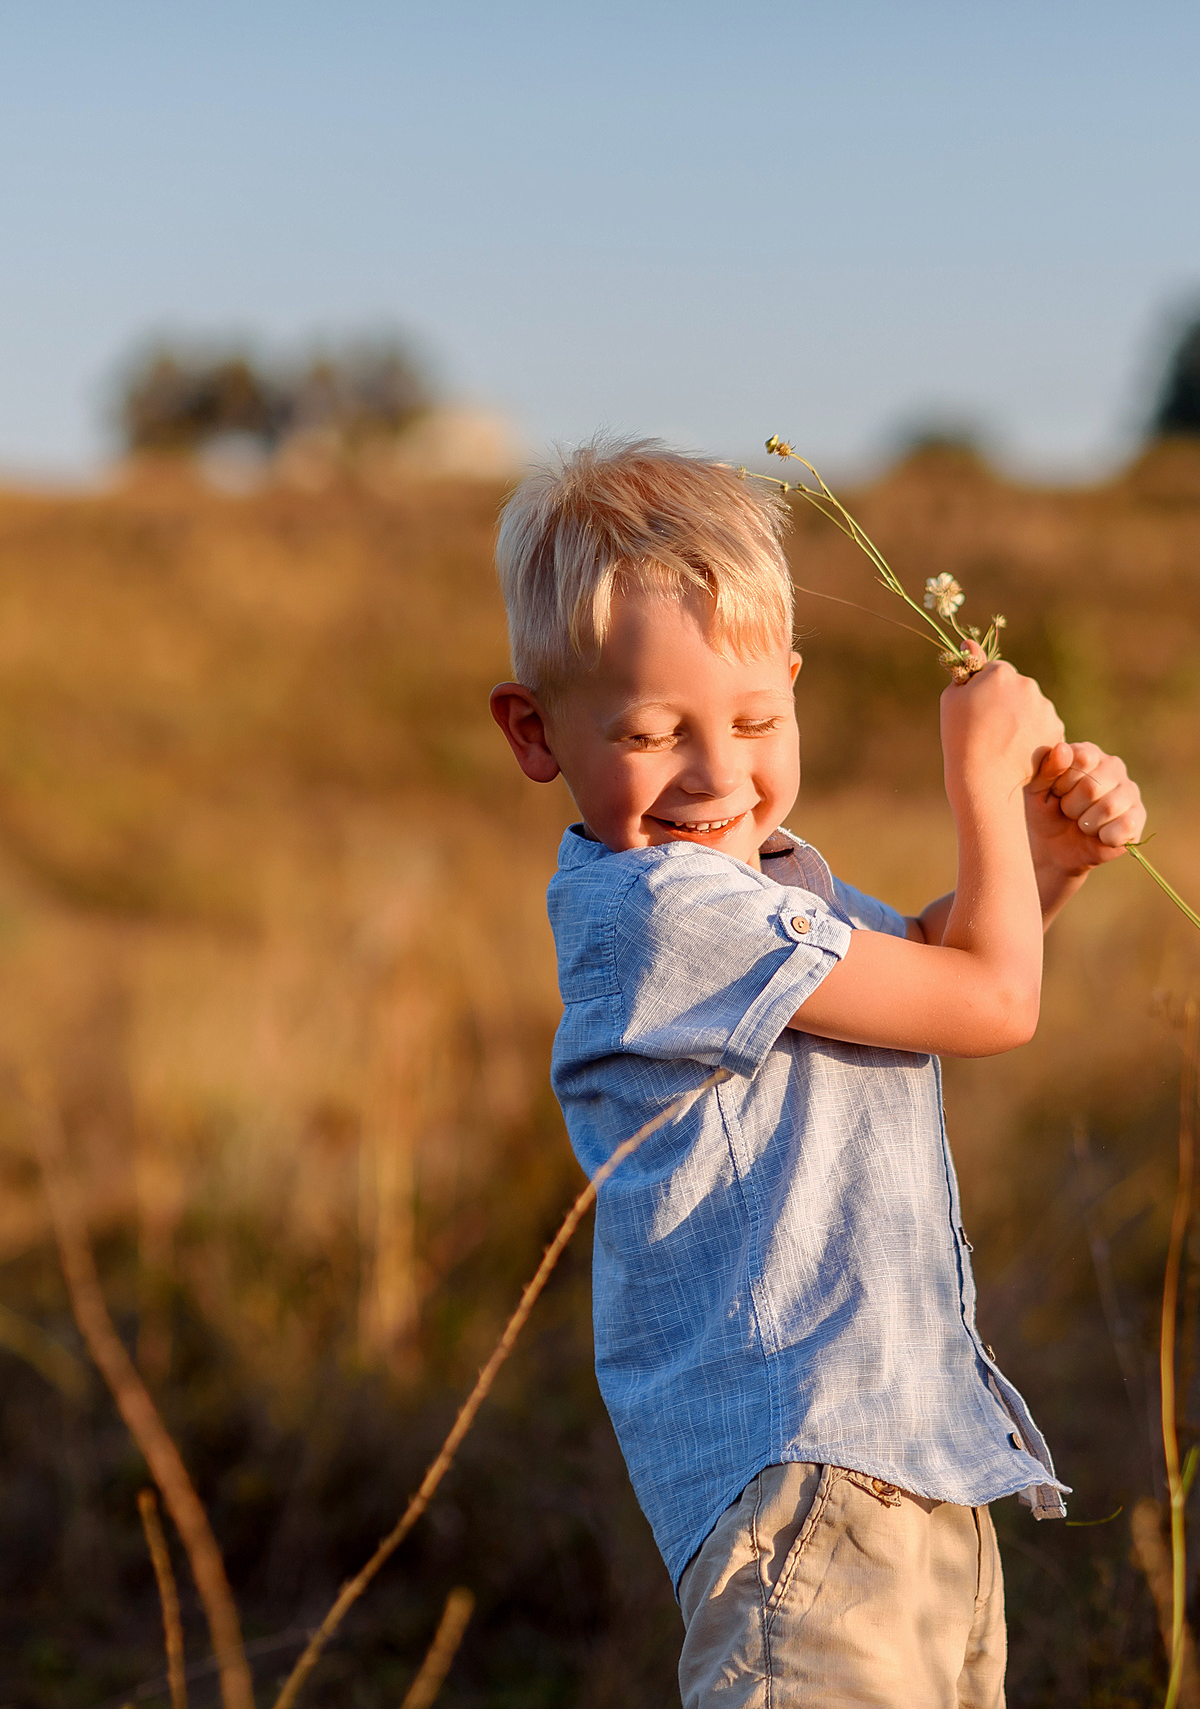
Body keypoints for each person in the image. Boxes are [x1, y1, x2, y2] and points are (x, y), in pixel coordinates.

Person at [487, 438, 1147, 1707]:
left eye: (752, 720)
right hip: (806, 1486)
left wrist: (1041, 858)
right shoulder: (662, 911)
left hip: (914, 1469)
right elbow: (992, 1001)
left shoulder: (771, 888)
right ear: (536, 729)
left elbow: (942, 967)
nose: (715, 774)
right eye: (649, 730)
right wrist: (978, 773)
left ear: (793, 689)